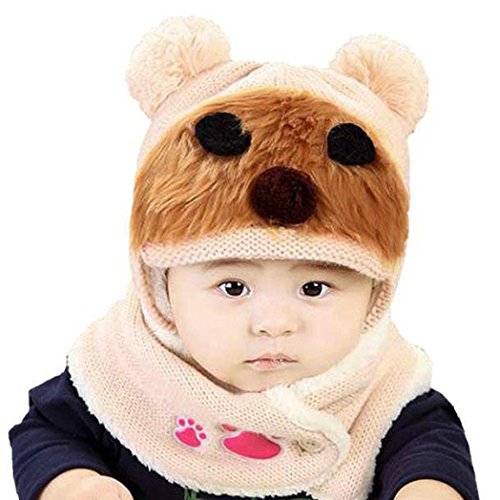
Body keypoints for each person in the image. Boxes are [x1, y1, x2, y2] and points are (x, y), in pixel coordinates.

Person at [8, 15, 479, 500]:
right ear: (161, 287)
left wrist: (427, 487)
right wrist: (76, 483)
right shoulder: (124, 371)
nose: (274, 324)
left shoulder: (383, 391)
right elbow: (47, 431)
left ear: (376, 292)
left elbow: (432, 450)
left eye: (314, 287)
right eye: (233, 287)